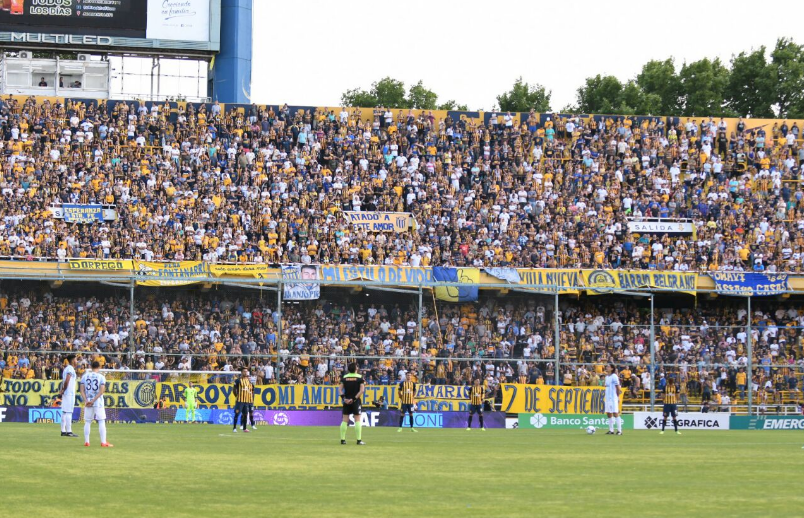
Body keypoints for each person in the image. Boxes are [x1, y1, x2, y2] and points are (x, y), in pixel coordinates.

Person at [80, 361, 112, 447]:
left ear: (90, 366)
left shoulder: (85, 376)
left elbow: (81, 390)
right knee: (101, 421)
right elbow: (101, 391)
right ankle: (103, 442)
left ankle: (87, 441)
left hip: (88, 402)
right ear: (99, 367)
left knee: (88, 421)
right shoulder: (101, 377)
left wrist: (86, 400)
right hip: (98, 402)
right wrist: (93, 400)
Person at [340, 363, 365, 445]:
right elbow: (361, 390)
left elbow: (340, 390)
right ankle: (358, 440)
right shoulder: (359, 377)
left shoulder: (344, 377)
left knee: (345, 420)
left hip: (346, 401)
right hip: (355, 401)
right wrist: (354, 399)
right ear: (355, 369)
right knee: (357, 419)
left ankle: (343, 440)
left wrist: (344, 399)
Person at [58, 354, 78, 437]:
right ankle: (69, 431)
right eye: (76, 359)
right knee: (69, 412)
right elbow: (67, 380)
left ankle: (63, 430)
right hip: (69, 393)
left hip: (66, 393)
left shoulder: (66, 368)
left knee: (64, 412)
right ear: (73, 360)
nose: (77, 361)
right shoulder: (70, 369)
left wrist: (62, 390)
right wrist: (63, 389)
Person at [232, 368, 254, 433]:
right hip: (240, 401)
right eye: (244, 371)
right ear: (241, 372)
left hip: (246, 401)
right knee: (237, 414)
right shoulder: (238, 380)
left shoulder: (248, 381)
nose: (246, 372)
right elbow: (234, 389)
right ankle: (234, 428)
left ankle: (244, 428)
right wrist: (237, 396)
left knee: (245, 414)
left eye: (246, 371)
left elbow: (251, 389)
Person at [604, 364, 622, 435]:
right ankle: (611, 430)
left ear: (612, 369)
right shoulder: (607, 377)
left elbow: (617, 388)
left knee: (615, 413)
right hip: (608, 398)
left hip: (613, 397)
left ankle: (619, 430)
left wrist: (617, 397)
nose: (606, 367)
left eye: (608, 367)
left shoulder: (614, 376)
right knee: (609, 413)